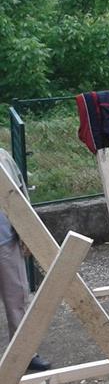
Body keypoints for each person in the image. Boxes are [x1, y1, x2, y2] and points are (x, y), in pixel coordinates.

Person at [0, 149, 51, 372]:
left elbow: (20, 195)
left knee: (17, 298)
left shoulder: (3, 158)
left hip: (6, 242)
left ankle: (24, 354)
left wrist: (27, 232)